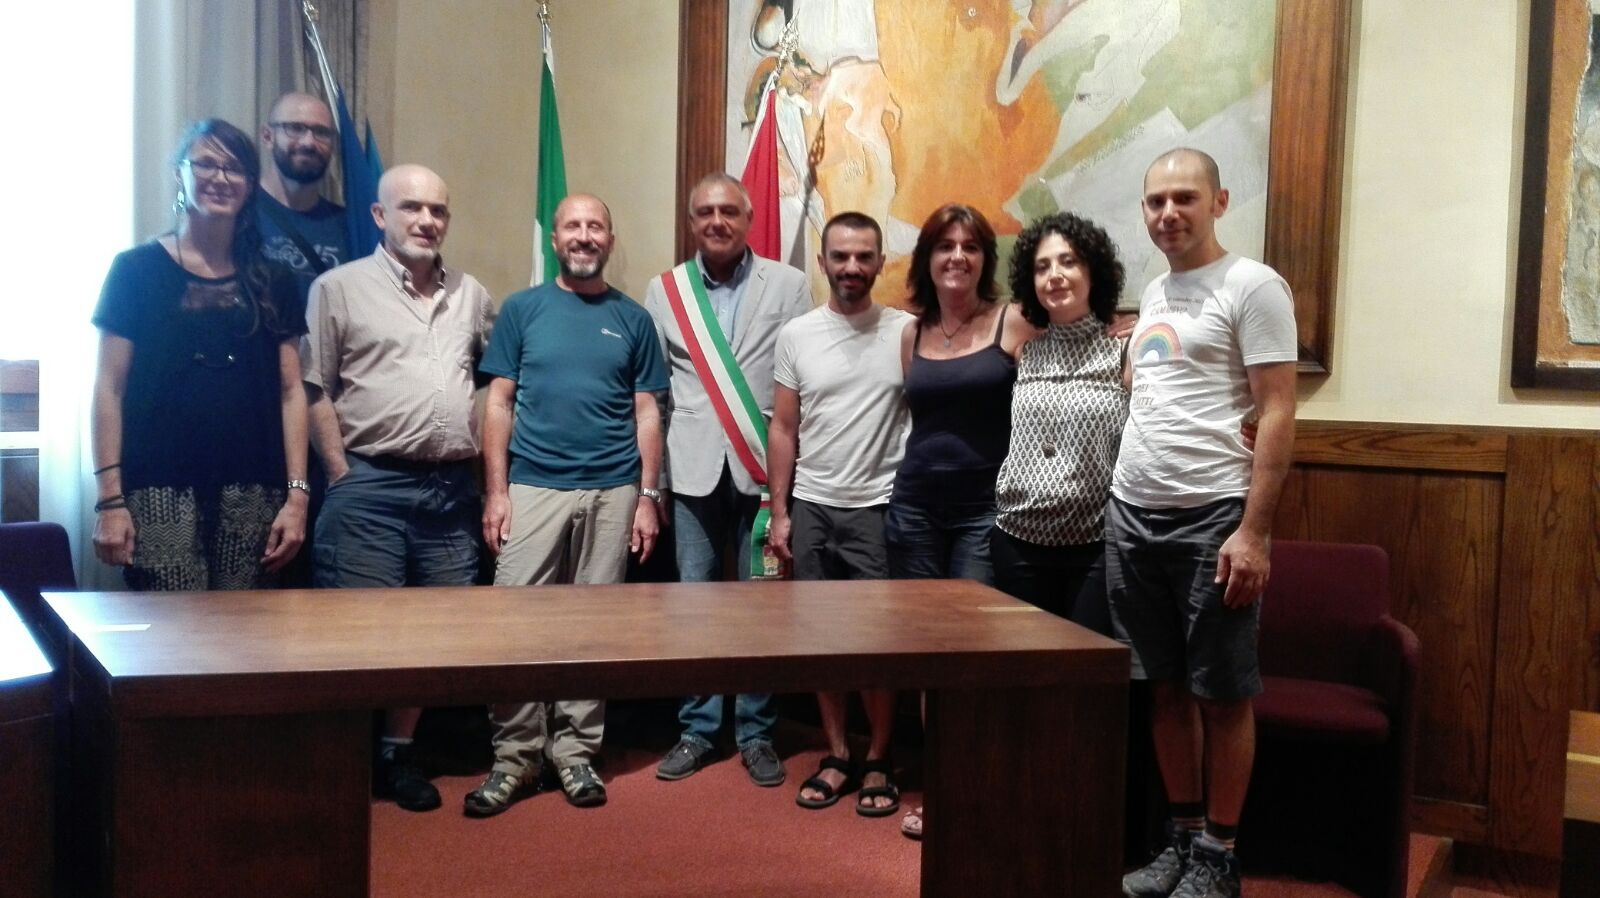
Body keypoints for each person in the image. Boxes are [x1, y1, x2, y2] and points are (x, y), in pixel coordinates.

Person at [1113, 148, 1297, 898]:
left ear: (1219, 202)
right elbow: (1155, 387)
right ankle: (1184, 838)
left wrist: (1254, 532)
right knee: (1162, 688)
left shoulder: (1253, 285)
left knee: (1221, 694)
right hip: (1133, 516)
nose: (1168, 214)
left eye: (1184, 198)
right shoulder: (1157, 290)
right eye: (1156, 201)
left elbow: (1278, 410)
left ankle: (1219, 855)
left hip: (1213, 519)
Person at [302, 163, 496, 813]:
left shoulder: (471, 294)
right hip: (370, 486)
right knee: (360, 635)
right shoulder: (339, 288)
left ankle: (397, 753)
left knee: (434, 634)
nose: (426, 220)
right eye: (411, 207)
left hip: (450, 492)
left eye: (438, 210)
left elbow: (494, 384)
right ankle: (341, 760)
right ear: (380, 216)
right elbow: (314, 389)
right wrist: (339, 472)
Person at [468, 193, 669, 817]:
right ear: (555, 239)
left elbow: (647, 412)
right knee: (515, 624)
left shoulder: (633, 319)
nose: (585, 236)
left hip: (613, 489)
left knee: (593, 628)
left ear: (610, 239)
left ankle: (576, 752)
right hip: (533, 486)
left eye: (596, 226)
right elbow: (498, 402)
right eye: (573, 226)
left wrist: (648, 496)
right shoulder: (522, 309)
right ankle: (515, 757)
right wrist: (496, 491)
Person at [643, 172, 811, 787]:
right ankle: (698, 727)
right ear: (692, 222)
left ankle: (757, 731)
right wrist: (654, 485)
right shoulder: (665, 290)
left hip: (764, 468)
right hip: (691, 470)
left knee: (763, 603)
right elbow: (654, 394)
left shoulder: (789, 284)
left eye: (729, 212)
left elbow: (801, 378)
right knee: (694, 604)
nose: (717, 221)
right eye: (705, 212)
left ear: (747, 218)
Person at [90, 118, 308, 591]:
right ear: (180, 173)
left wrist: (297, 498)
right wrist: (110, 499)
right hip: (156, 486)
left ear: (250, 184)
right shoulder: (134, 271)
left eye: (235, 169)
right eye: (206, 164)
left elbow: (292, 392)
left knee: (244, 626)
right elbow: (109, 389)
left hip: (254, 487)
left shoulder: (274, 280)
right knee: (172, 625)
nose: (220, 178)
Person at [766, 211, 912, 818]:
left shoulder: (907, 331)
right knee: (823, 643)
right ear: (823, 262)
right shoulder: (797, 335)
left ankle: (878, 756)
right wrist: (779, 512)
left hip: (879, 508)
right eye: (841, 256)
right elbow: (783, 427)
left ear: (880, 262)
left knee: (877, 645)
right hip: (813, 507)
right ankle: (838, 753)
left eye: (863, 256)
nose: (852, 267)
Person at [990, 211, 1128, 633]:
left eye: (1069, 262)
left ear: (1093, 272)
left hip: (1093, 544)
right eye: (1042, 267)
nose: (1055, 275)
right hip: (1017, 539)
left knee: (1085, 664)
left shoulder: (1124, 351)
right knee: (1025, 664)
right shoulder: (1024, 351)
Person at [886, 203, 1032, 584]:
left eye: (971, 247)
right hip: (914, 507)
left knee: (972, 617)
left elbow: (1069, 346)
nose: (958, 256)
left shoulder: (1013, 321)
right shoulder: (912, 333)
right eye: (945, 246)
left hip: (986, 511)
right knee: (918, 616)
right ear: (927, 258)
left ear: (985, 260)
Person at [257, 92, 351, 298]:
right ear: (267, 136)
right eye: (295, 128)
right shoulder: (237, 212)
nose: (309, 142)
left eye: (321, 132)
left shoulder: (348, 226)